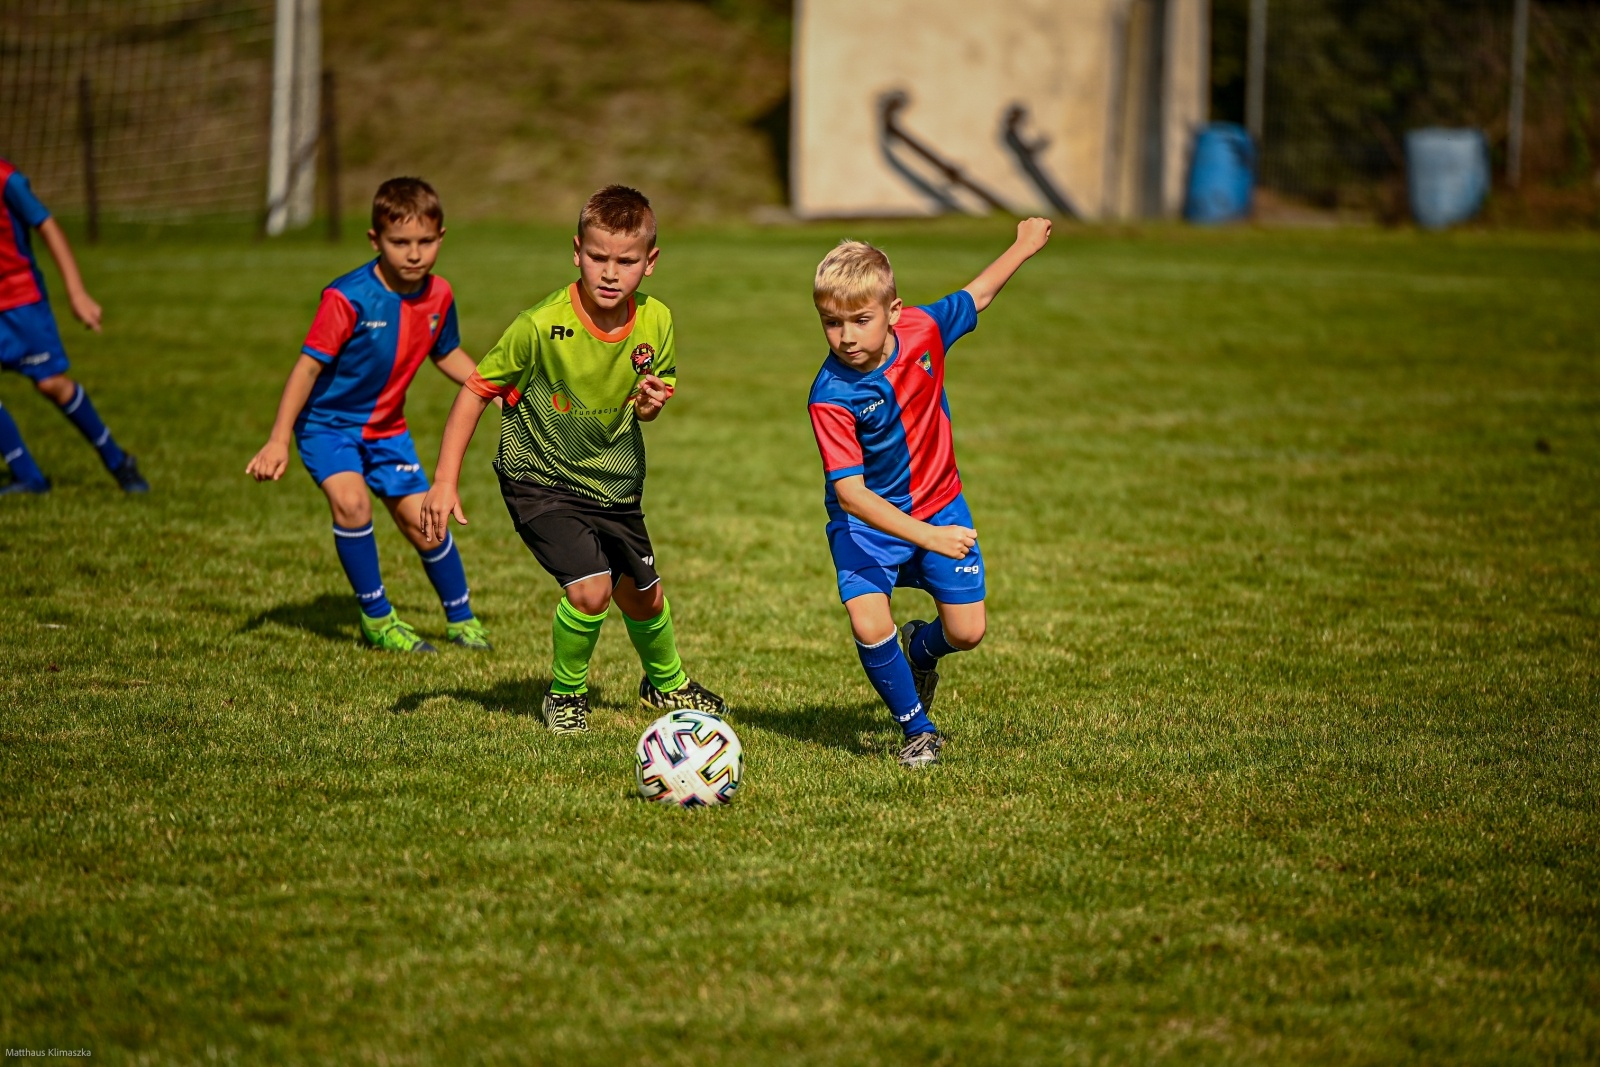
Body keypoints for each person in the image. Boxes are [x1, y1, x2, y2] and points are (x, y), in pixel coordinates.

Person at [420, 184, 725, 733]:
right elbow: (475, 389)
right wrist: (445, 481)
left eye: (626, 261)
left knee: (645, 598)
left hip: (615, 483)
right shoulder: (539, 325)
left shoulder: (658, 321)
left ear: (649, 263)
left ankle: (667, 683)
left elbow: (653, 395)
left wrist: (653, 404)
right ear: (577, 252)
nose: (610, 273)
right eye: (598, 257)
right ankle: (565, 694)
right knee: (592, 591)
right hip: (538, 476)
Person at [806, 218, 1052, 768]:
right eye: (831, 323)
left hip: (941, 503)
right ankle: (918, 729)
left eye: (860, 321)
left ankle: (920, 650)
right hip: (868, 523)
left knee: (967, 632)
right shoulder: (830, 395)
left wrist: (1022, 245)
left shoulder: (923, 329)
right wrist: (928, 538)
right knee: (870, 621)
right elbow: (851, 495)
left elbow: (978, 294)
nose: (846, 337)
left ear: (893, 313)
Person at [246, 177, 490, 654]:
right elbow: (307, 367)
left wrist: (493, 389)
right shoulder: (347, 298)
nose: (413, 254)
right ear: (376, 240)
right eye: (400, 243)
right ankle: (377, 618)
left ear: (441, 238)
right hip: (327, 428)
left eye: (424, 242)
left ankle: (462, 618)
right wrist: (278, 439)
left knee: (425, 521)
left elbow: (447, 352)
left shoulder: (439, 295)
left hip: (388, 432)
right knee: (352, 504)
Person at [0, 157, 148, 495]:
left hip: (20, 299)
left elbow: (47, 225)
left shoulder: (7, 179)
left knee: (52, 384)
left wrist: (77, 292)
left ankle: (118, 461)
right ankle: (28, 477)